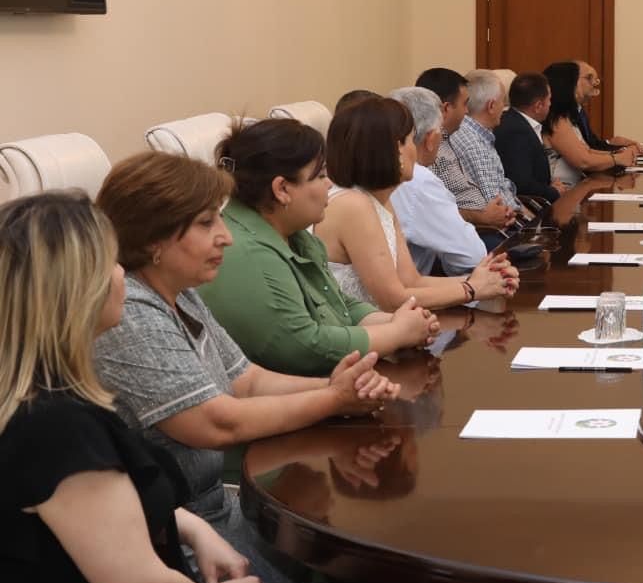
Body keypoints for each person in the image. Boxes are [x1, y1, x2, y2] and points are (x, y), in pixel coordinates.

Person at [0, 192, 328, 583]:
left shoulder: (38, 400)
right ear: (77, 289)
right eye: (111, 263)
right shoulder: (57, 427)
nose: (122, 274)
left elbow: (85, 516)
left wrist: (191, 526)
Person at [93, 151, 400, 583]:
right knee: (351, 581)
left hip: (218, 509)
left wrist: (335, 386)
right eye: (206, 223)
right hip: (177, 537)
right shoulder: (132, 314)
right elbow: (218, 423)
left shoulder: (179, 293)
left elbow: (247, 381)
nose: (227, 236)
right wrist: (332, 399)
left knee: (356, 565)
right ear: (153, 237)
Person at [199, 118, 439, 376]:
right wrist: (396, 333)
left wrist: (401, 321)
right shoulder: (248, 253)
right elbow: (306, 347)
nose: (329, 184)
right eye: (321, 175)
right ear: (282, 189)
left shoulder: (293, 234)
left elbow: (337, 304)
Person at [314, 97, 518, 310]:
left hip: (389, 324)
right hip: (358, 329)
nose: (415, 148)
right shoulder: (353, 206)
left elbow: (412, 281)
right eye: (411, 139)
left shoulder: (381, 199)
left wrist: (486, 279)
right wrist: (471, 289)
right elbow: (392, 300)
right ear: (397, 149)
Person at [388, 85, 490, 275]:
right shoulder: (418, 180)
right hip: (409, 290)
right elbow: (471, 257)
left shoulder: (360, 169)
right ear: (431, 138)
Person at [414, 67, 518, 237]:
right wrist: (483, 216)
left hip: (480, 227)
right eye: (464, 104)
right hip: (478, 231)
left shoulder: (447, 139)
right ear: (446, 109)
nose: (468, 111)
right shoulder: (429, 149)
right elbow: (435, 212)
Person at [544, 61, 637, 185]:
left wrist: (616, 153)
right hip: (564, 191)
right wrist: (617, 159)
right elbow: (583, 160)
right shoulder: (555, 120)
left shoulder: (568, 117)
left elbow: (587, 151)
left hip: (578, 186)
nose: (593, 84)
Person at [495, 71, 565, 204]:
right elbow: (521, 184)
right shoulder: (516, 131)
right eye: (549, 99)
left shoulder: (516, 122)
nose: (550, 104)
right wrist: (553, 191)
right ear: (538, 106)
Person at [573, 60, 643, 155]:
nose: (594, 83)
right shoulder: (563, 115)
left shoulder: (580, 111)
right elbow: (583, 157)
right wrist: (617, 156)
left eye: (596, 79)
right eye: (589, 78)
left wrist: (610, 143)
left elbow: (592, 145)